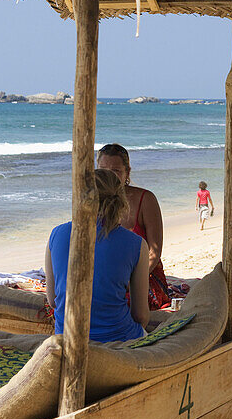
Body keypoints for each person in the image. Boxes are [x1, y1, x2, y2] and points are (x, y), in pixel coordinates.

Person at [44, 168, 149, 340]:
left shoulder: (57, 234)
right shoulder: (136, 244)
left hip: (67, 339)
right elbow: (140, 315)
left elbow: (53, 300)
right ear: (121, 201)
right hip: (118, 340)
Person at [97, 142, 171, 309]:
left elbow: (154, 252)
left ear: (127, 173)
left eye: (115, 171)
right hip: (105, 278)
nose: (109, 176)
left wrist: (128, 284)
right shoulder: (91, 201)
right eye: (103, 170)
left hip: (142, 276)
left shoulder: (146, 200)